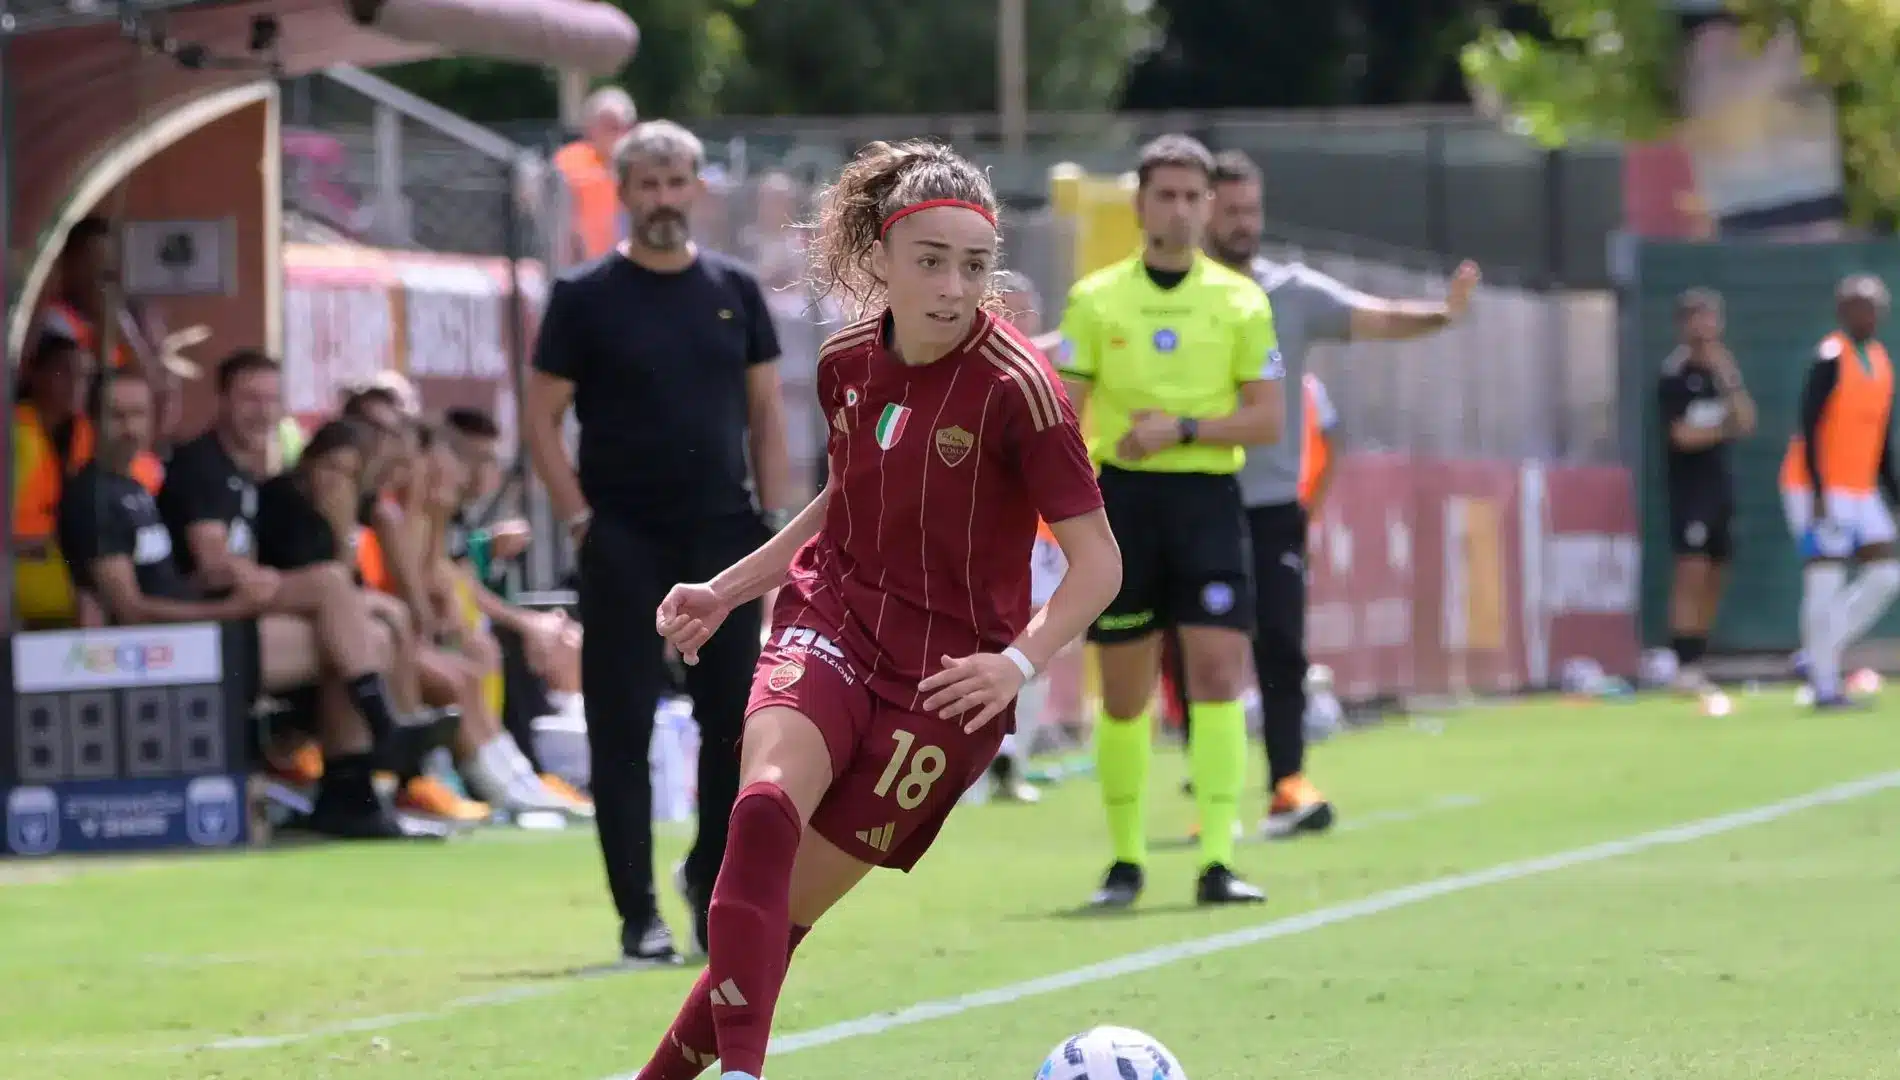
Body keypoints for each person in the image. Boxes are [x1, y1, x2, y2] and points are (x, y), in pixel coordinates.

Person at [631, 137, 1117, 1080]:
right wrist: (731, 589)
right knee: (764, 806)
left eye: (973, 266)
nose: (952, 286)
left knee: (785, 918)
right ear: (881, 262)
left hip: (945, 686)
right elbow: (848, 494)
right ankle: (743, 1073)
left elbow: (1100, 565)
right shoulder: (848, 359)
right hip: (835, 619)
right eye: (930, 262)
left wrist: (1017, 664)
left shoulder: (1023, 391)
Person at [525, 118, 798, 964]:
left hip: (722, 535)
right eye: (648, 183)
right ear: (623, 190)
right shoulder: (584, 297)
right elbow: (540, 419)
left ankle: (707, 878)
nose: (664, 199)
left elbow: (764, 415)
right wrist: (581, 522)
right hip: (625, 538)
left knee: (732, 724)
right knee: (622, 726)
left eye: (678, 182)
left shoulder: (736, 290)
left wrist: (779, 538)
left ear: (698, 190)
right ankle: (635, 911)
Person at [1204, 149, 1479, 839]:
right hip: (1192, 497)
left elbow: (1376, 317)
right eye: (1230, 209)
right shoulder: (1167, 296)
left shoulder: (1291, 293)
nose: (1244, 223)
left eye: (1251, 210)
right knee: (1203, 656)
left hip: (1270, 505)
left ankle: (1287, 785)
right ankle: (1210, 799)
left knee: (1284, 646)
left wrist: (1443, 316)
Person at [1052, 134, 1282, 909]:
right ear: (1141, 203)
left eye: (1193, 196)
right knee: (1124, 692)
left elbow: (1267, 419)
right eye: (1166, 195)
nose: (1180, 209)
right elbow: (1066, 415)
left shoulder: (1244, 301)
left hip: (1207, 506)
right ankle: (1124, 863)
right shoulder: (1095, 299)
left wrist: (1180, 430)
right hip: (1123, 507)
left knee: (1217, 676)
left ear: (1209, 205)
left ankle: (1218, 858)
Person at [56, 374, 405, 837]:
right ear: (92, 422)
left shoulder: (135, 488)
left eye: (138, 414)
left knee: (349, 619)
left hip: (201, 627)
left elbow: (162, 583)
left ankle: (359, 776)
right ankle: (361, 772)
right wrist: (226, 609)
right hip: (168, 650)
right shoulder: (93, 497)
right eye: (117, 416)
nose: (130, 428)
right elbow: (131, 611)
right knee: (348, 630)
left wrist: (212, 581)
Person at [158, 349, 419, 773]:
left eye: (269, 400)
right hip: (199, 626)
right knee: (341, 602)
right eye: (249, 399)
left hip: (245, 617)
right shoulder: (200, 465)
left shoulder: (248, 471)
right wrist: (256, 575)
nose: (260, 412)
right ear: (221, 400)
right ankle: (380, 746)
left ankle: (363, 783)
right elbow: (213, 565)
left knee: (360, 634)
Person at [1780, 274, 1900, 708]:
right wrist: (1816, 489)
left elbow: (1882, 441)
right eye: (1858, 306)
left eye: (1874, 306)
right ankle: (1824, 686)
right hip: (1818, 487)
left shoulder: (1881, 361)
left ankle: (1817, 652)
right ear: (1841, 311)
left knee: (1887, 574)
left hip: (1861, 488)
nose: (1867, 314)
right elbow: (1809, 424)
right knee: (1824, 580)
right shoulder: (1831, 355)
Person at [1657, 289, 1755, 691]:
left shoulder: (1722, 371)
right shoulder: (1675, 375)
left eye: (1710, 318)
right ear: (1683, 325)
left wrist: (1730, 382)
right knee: (1691, 570)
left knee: (1717, 571)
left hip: (1720, 488)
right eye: (1696, 318)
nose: (1704, 327)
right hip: (1689, 490)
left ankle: (1699, 654)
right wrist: (1721, 429)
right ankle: (1682, 661)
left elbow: (1746, 421)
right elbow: (1682, 436)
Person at [553, 87, 638, 264]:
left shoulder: (640, 164)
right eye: (608, 125)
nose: (617, 133)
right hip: (579, 263)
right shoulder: (570, 159)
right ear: (590, 127)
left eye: (622, 126)